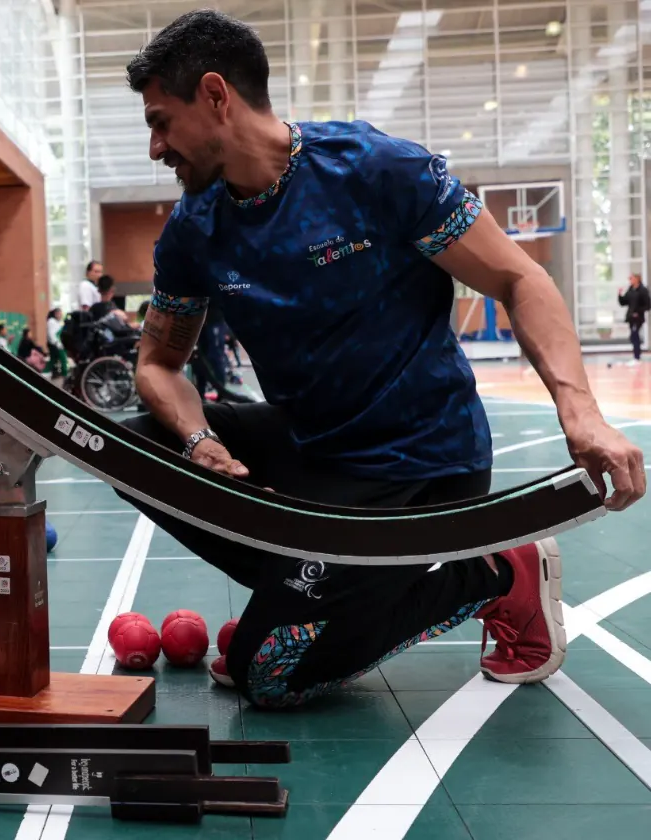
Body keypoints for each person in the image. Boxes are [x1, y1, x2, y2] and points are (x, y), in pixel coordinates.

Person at [116, 10, 645, 709]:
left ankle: (491, 570)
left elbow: (520, 278)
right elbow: (158, 365)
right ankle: (304, 593)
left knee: (267, 677)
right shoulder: (194, 229)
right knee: (129, 447)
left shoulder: (374, 171)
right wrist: (200, 440)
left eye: (161, 121)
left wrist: (581, 410)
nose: (155, 148)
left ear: (216, 95)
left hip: (420, 463)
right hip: (313, 450)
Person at [617, 274, 650, 362]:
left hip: (638, 317)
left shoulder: (643, 290)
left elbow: (647, 305)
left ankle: (637, 356)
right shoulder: (630, 289)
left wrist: (638, 312)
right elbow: (624, 302)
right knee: (633, 336)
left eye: (632, 278)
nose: (630, 280)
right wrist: (620, 295)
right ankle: (636, 355)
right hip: (631, 317)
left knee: (634, 334)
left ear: (637, 279)